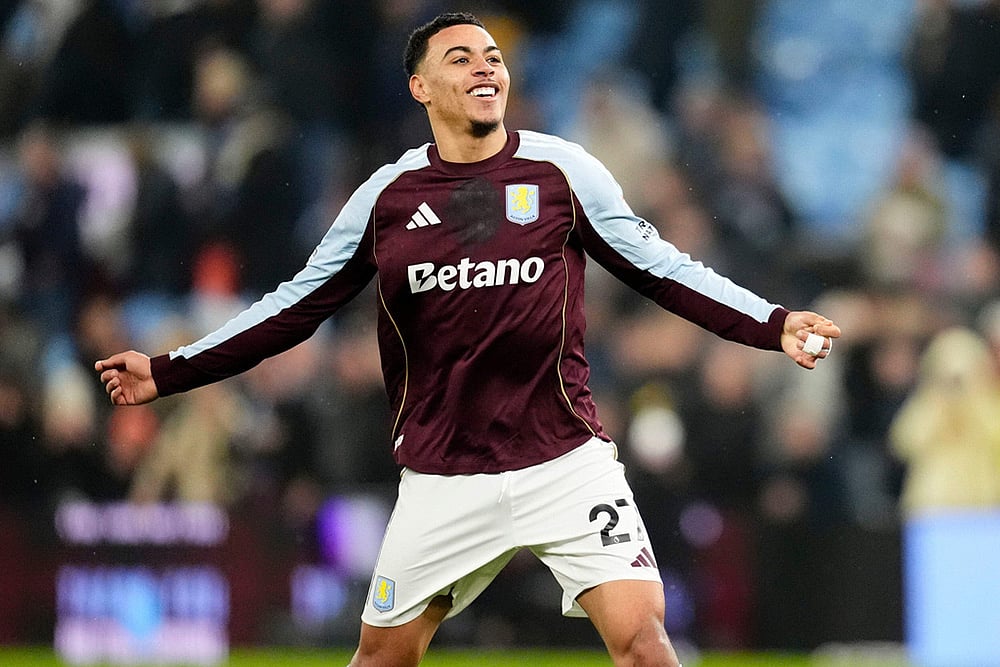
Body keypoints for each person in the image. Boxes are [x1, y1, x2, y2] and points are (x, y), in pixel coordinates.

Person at [95, 12, 840, 666]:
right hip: (443, 477)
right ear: (420, 88)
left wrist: (773, 323)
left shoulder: (561, 171)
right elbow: (294, 305)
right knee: (382, 656)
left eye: (494, 57)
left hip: (565, 462)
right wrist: (170, 370)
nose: (486, 67)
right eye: (461, 58)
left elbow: (662, 268)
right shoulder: (386, 199)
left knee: (645, 641)